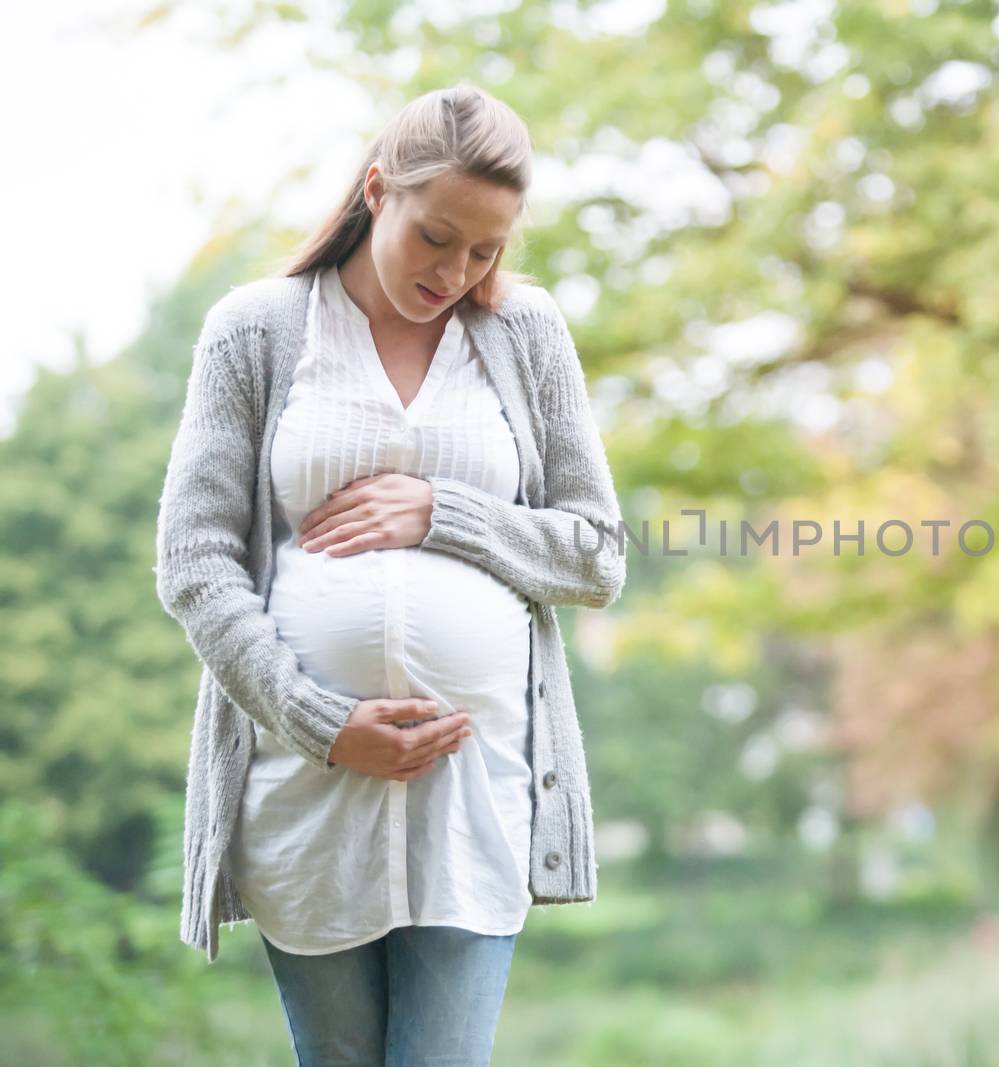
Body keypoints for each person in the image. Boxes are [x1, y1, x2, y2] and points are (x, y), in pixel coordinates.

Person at [153, 82, 626, 1065]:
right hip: (305, 788)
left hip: (475, 793)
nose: (454, 270)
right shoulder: (257, 329)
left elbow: (596, 553)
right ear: (378, 191)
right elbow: (194, 560)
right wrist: (323, 724)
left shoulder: (525, 337)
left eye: (485, 250)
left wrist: (439, 510)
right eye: (435, 237)